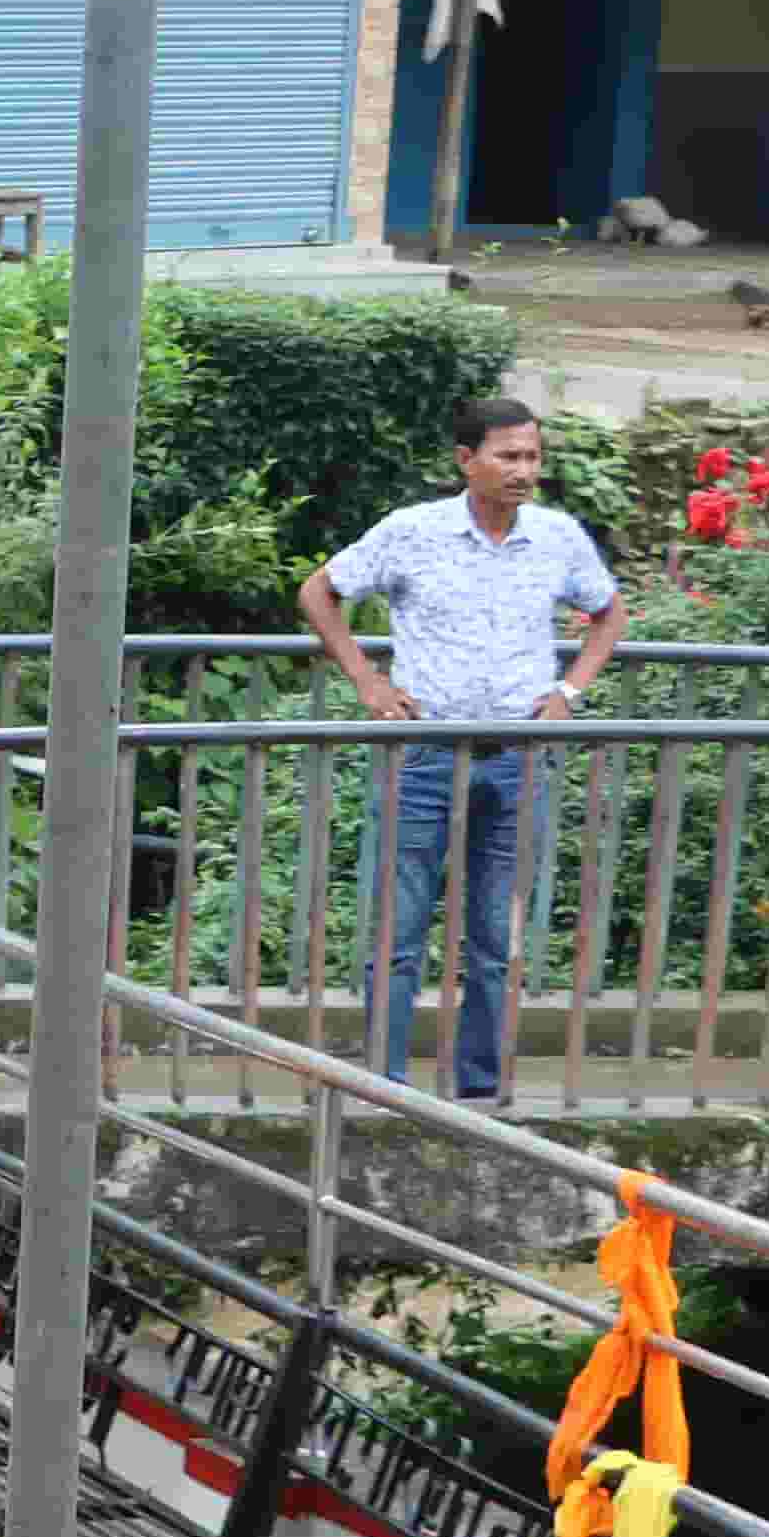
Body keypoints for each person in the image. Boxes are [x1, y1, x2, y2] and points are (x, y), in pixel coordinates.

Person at [303, 391, 624, 1104]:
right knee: (399, 931)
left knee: (493, 940)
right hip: (423, 756)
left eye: (532, 456)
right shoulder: (413, 531)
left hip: (518, 756)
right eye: (507, 456)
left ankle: (480, 1091)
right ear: (465, 460)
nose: (523, 470)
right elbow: (320, 591)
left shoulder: (558, 538)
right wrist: (366, 680)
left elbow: (607, 612)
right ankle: (383, 1085)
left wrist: (569, 693)